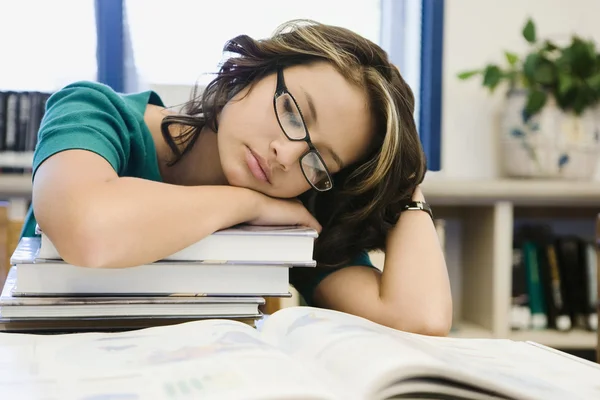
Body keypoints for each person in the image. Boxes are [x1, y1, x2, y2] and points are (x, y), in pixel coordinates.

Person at [23, 20, 452, 335]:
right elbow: (88, 229)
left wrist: (405, 187)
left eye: (319, 161)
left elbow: (417, 319)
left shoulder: (297, 207)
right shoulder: (96, 111)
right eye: (291, 111)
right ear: (255, 69)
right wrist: (248, 205)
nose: (286, 155)